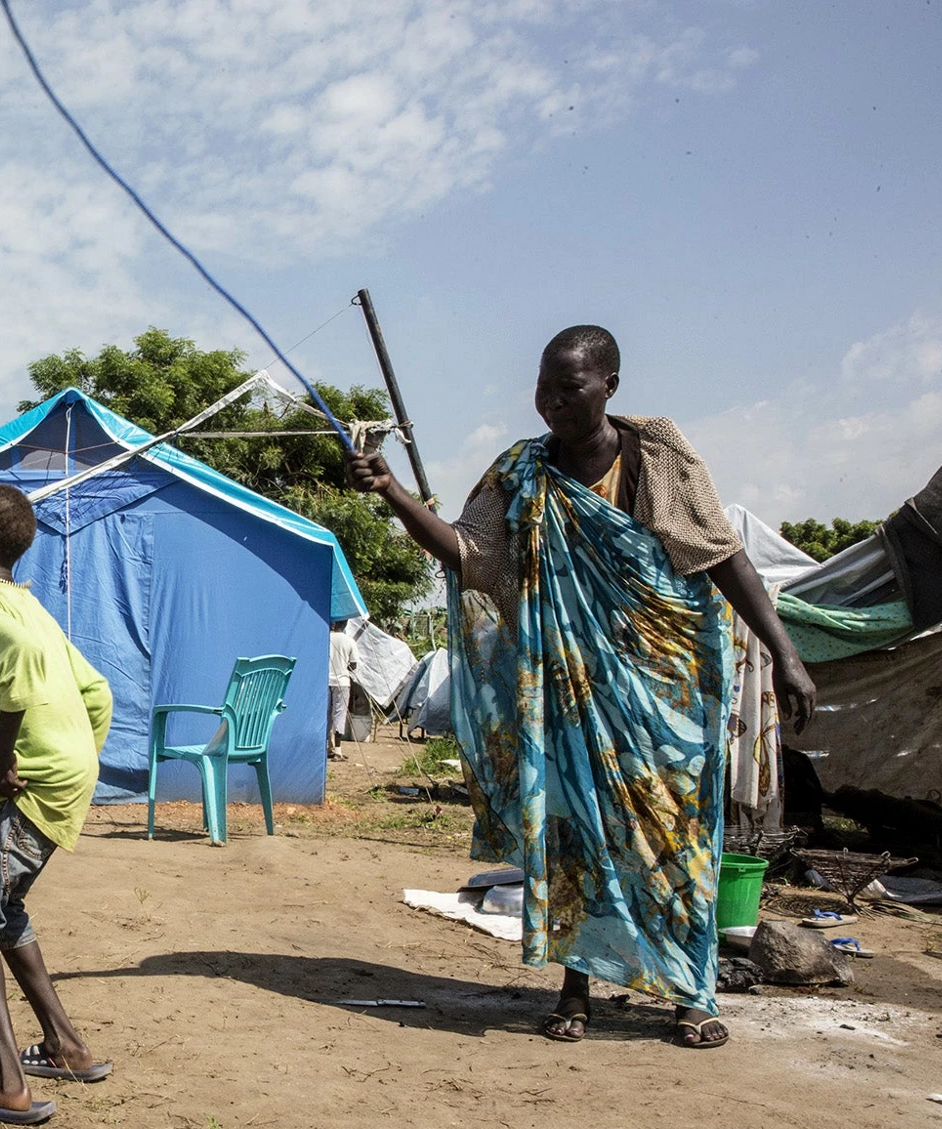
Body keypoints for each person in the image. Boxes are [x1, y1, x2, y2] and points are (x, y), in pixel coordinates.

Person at [347, 325, 814, 1051]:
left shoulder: (659, 456)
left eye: (571, 388)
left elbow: (723, 559)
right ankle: (576, 986)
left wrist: (787, 655)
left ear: (609, 386)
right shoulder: (522, 475)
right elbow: (472, 556)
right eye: (544, 389)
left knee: (674, 836)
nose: (554, 403)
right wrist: (394, 493)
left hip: (665, 685)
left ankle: (691, 992)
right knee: (574, 836)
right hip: (566, 691)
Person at [0, 484, 114, 1125]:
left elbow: (13, 682)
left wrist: (2, 760)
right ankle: (64, 1045)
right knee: (3, 904)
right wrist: (78, 757)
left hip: (30, 778)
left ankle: (9, 1082)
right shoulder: (32, 607)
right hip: (71, 772)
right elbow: (96, 693)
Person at [327, 620, 360, 760]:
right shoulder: (349, 641)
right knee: (339, 714)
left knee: (326, 714)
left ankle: (328, 747)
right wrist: (344, 667)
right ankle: (338, 751)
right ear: (345, 625)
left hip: (326, 681)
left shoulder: (326, 637)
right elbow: (354, 665)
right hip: (342, 682)